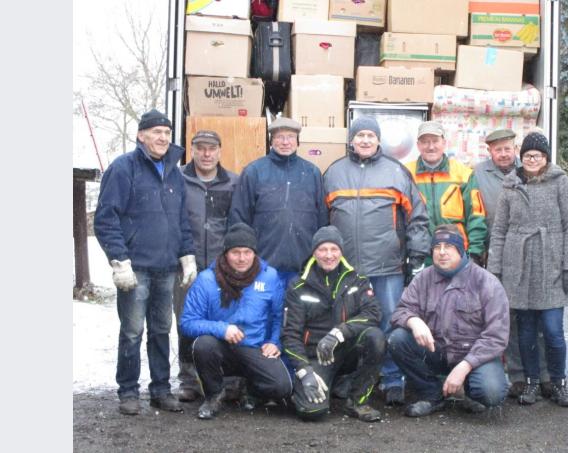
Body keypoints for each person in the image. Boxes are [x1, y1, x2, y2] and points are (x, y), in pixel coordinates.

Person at [94, 109, 197, 415]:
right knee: (132, 331)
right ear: (141, 136)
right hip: (135, 267)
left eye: (167, 133)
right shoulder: (123, 168)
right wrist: (119, 260)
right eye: (156, 132)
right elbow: (106, 218)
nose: (163, 138)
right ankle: (128, 391)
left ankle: (161, 390)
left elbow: (181, 220)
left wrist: (187, 255)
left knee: (162, 330)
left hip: (166, 267)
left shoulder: (174, 173)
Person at [323, 116, 430, 406]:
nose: (365, 140)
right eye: (360, 135)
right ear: (351, 140)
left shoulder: (396, 171)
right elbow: (322, 221)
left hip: (387, 266)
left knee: (390, 322)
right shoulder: (333, 173)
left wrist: (417, 256)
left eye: (371, 135)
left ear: (379, 140)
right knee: (346, 325)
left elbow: (418, 217)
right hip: (346, 269)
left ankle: (393, 379)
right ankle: (353, 377)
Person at [487, 132, 568, 408]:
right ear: (522, 157)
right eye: (528, 155)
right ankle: (531, 381)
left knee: (553, 330)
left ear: (546, 158)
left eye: (537, 155)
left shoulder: (560, 182)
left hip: (551, 263)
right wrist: (495, 270)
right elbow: (500, 230)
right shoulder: (511, 185)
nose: (532, 159)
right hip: (518, 265)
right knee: (525, 330)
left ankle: (559, 381)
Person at [388, 224, 510, 417]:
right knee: (397, 339)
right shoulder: (423, 279)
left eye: (449, 246)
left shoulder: (487, 283)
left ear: (461, 249)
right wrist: (413, 321)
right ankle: (432, 394)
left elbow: (496, 336)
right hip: (437, 352)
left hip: (475, 356)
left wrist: (465, 366)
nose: (442, 252)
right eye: (437, 247)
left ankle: (470, 392)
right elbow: (400, 311)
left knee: (491, 391)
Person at [180, 223, 292, 420]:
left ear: (254, 253)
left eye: (247, 252)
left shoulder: (270, 277)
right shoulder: (207, 279)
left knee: (282, 387)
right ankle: (214, 394)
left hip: (254, 347)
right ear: (226, 253)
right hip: (221, 347)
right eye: (235, 252)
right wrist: (222, 329)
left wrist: (274, 342)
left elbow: (278, 317)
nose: (242, 258)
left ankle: (252, 389)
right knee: (203, 345)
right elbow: (187, 322)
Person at [475, 128, 552, 398]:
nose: (504, 154)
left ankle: (545, 374)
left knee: (540, 318)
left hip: (534, 254)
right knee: (509, 317)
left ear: (515, 148)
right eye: (498, 149)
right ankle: (518, 374)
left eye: (508, 148)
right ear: (490, 151)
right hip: (496, 254)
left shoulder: (532, 168)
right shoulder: (477, 174)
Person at [281, 226, 385, 422]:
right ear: (314, 253)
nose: (329, 255)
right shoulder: (298, 285)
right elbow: (290, 334)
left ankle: (357, 401)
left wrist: (339, 333)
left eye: (334, 249)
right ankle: (323, 386)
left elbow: (373, 313)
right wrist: (304, 371)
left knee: (376, 338)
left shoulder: (357, 279)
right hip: (317, 357)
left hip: (348, 349)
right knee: (311, 412)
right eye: (323, 249)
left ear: (341, 252)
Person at [172, 130, 238, 403]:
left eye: (211, 148)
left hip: (223, 268)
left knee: (227, 322)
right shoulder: (177, 179)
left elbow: (238, 223)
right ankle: (189, 381)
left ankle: (229, 380)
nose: (206, 154)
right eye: (200, 148)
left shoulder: (233, 182)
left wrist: (232, 262)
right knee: (186, 323)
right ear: (192, 150)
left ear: (220, 151)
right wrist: (181, 254)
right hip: (185, 265)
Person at [229, 116, 328, 289]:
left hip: (304, 265)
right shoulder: (254, 172)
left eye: (290, 137)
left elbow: (322, 219)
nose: (285, 142)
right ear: (271, 140)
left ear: (298, 141)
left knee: (299, 307)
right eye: (279, 137)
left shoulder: (312, 173)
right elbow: (239, 218)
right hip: (263, 266)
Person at [405, 121, 487, 266]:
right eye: (425, 142)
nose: (431, 146)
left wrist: (475, 253)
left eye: (435, 141)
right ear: (418, 145)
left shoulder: (464, 174)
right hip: (420, 257)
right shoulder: (406, 174)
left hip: (456, 253)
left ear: (444, 143)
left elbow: (476, 216)